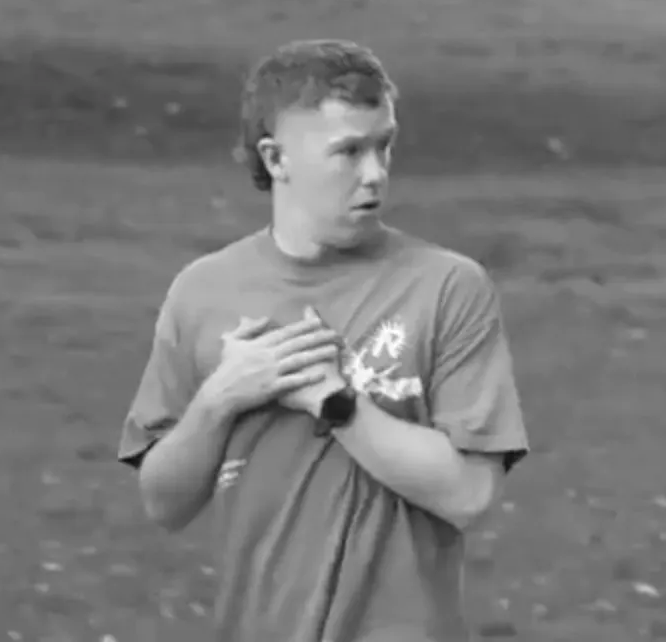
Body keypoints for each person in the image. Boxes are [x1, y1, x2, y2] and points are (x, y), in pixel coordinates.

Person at [118, 40, 529, 642]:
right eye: (349, 151)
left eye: (384, 146)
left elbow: (469, 494)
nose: (376, 173)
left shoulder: (446, 287)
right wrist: (220, 399)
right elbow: (164, 503)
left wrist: (336, 402)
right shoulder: (202, 292)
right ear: (276, 159)